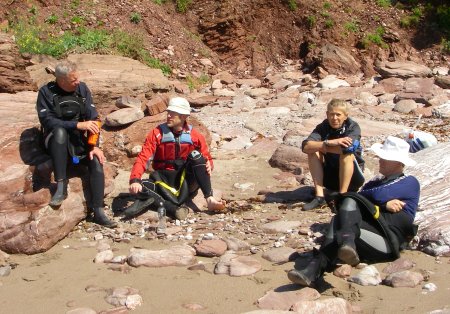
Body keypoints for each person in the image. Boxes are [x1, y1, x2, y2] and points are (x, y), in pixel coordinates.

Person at [287, 136, 420, 287]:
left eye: (385, 158)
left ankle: (330, 255)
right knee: (340, 219)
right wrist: (382, 205)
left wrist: (378, 204)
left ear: (398, 163)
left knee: (349, 205)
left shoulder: (409, 182)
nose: (380, 160)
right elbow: (357, 198)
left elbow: (374, 195)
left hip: (388, 241)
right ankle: (320, 265)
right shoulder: (375, 182)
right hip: (364, 236)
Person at [36, 61, 116, 228]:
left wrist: (94, 146)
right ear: (61, 80)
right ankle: (61, 184)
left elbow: (93, 118)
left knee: (96, 161)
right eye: (73, 80)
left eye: (78, 78)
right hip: (55, 141)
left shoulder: (82, 89)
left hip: (77, 141)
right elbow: (48, 121)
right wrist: (77, 125)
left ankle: (98, 210)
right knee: (59, 131)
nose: (77, 82)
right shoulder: (46, 92)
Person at [125, 97, 226, 219]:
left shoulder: (195, 136)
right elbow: (143, 158)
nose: (168, 116)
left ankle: (209, 199)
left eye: (173, 113)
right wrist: (135, 180)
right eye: (168, 112)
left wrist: (209, 163)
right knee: (142, 186)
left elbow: (207, 158)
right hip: (163, 181)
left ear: (183, 116)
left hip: (186, 182)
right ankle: (174, 209)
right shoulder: (156, 133)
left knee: (196, 156)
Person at [301, 99, 365, 211]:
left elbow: (348, 149)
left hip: (353, 179)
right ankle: (319, 197)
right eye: (331, 114)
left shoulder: (353, 127)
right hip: (330, 176)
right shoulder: (323, 127)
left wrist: (324, 148)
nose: (334, 118)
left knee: (346, 155)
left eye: (338, 115)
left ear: (345, 116)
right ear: (327, 114)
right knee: (313, 151)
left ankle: (342, 197)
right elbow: (305, 147)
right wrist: (329, 143)